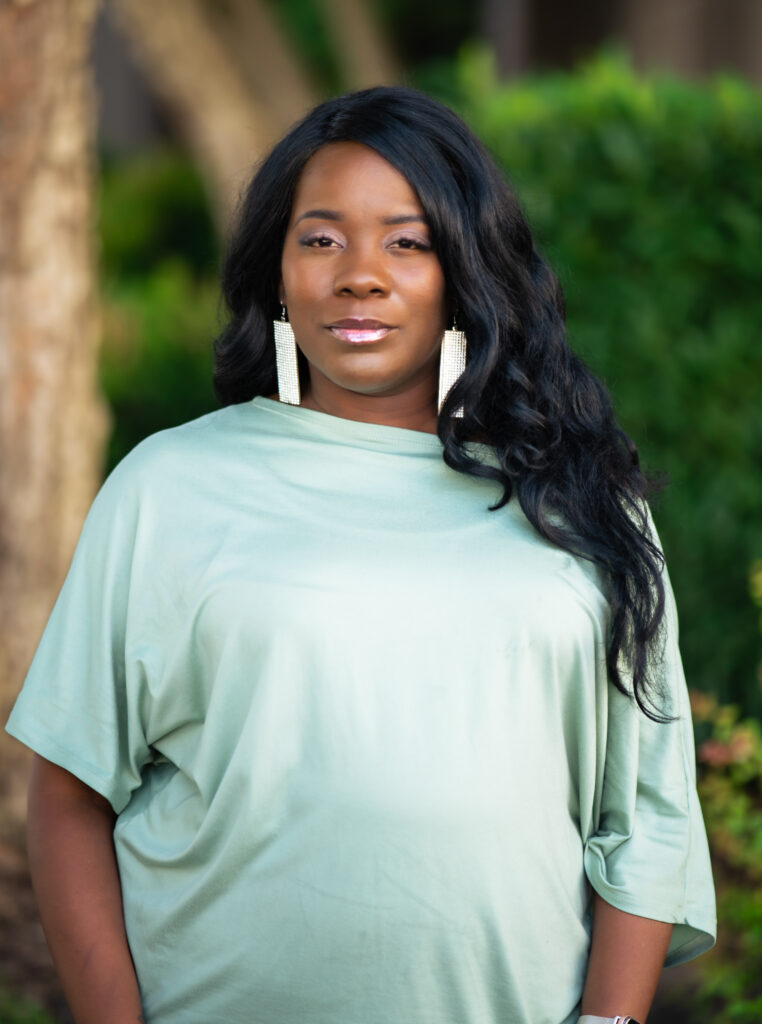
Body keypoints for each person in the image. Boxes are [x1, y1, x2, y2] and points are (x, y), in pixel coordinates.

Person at [6, 86, 715, 1024]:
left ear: (466, 267)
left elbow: (647, 813)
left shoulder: (581, 502)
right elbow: (69, 795)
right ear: (278, 270)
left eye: (407, 241)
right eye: (322, 238)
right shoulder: (169, 485)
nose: (360, 274)